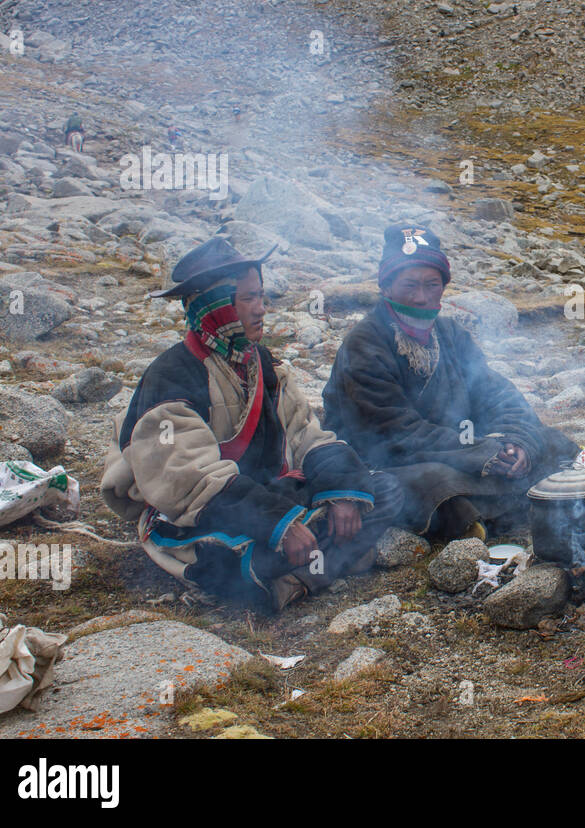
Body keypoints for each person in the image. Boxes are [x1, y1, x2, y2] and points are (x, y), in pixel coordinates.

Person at [101, 238, 406, 611]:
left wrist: (342, 492)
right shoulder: (171, 379)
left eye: (261, 297)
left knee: (382, 490)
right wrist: (280, 525)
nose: (262, 310)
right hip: (199, 512)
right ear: (216, 307)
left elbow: (306, 435)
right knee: (235, 559)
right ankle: (308, 565)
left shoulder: (263, 364)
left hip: (263, 494)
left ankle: (294, 576)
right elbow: (191, 482)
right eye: (248, 299)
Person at [323, 225, 579, 539]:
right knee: (435, 482)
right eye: (410, 285)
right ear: (386, 287)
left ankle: (508, 496)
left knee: (549, 442)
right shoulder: (364, 345)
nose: (421, 297)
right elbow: (395, 433)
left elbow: (497, 394)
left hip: (460, 448)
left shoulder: (451, 334)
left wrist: (515, 442)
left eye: (432, 285)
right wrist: (481, 453)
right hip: (391, 461)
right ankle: (501, 505)